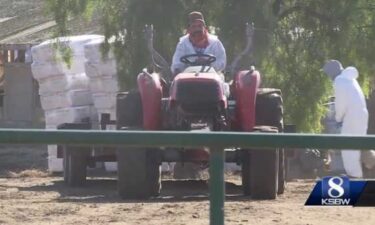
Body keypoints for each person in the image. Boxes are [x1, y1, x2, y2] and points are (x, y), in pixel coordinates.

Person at [323, 60, 369, 178]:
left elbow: (341, 104)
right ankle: (368, 166)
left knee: (349, 150)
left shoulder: (340, 81)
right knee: (357, 147)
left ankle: (355, 177)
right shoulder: (351, 79)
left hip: (352, 117)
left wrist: (338, 118)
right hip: (361, 116)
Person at [171, 11, 226, 76]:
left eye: (200, 26)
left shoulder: (215, 43)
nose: (197, 29)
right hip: (189, 78)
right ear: (189, 29)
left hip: (211, 78)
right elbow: (176, 64)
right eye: (194, 26)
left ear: (204, 27)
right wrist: (178, 70)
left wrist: (208, 63)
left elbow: (222, 62)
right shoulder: (182, 44)